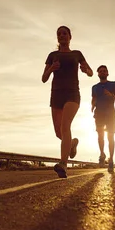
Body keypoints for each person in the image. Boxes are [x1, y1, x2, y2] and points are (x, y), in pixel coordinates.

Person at [42, 25, 93, 178]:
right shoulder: (52, 55)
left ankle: (63, 164)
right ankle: (71, 145)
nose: (62, 36)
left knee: (65, 126)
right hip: (56, 95)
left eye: (64, 33)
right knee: (59, 132)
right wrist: (51, 68)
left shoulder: (77, 54)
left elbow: (90, 72)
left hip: (72, 94)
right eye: (59, 34)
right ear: (57, 38)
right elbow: (44, 78)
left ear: (70, 37)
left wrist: (86, 70)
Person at [91, 65, 115, 173]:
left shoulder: (113, 84)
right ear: (98, 74)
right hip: (99, 114)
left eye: (104, 71)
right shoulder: (94, 87)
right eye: (100, 71)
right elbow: (94, 98)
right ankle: (102, 154)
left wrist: (111, 95)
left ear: (107, 73)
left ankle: (111, 160)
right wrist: (92, 105)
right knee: (100, 135)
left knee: (110, 137)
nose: (102, 72)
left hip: (110, 114)